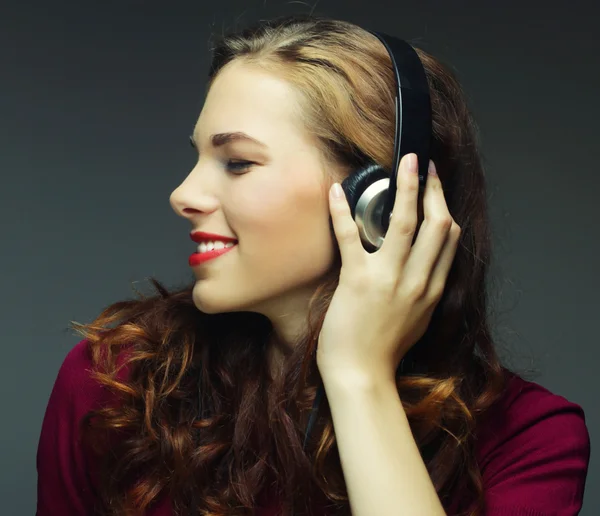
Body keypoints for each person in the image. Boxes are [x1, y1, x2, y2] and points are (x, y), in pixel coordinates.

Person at [36, 14, 590, 516]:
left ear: (381, 199)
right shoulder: (114, 385)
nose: (183, 194)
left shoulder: (531, 440)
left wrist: (358, 377)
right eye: (198, 157)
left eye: (237, 162)